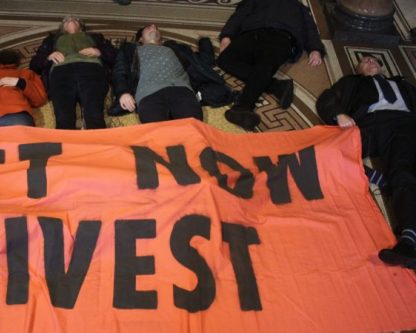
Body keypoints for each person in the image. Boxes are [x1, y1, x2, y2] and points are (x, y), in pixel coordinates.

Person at [316, 54, 416, 269]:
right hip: (369, 124)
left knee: (403, 172)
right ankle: (379, 178)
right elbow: (327, 98)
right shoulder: (351, 82)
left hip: (404, 125)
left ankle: (409, 241)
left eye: (373, 61)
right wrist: (339, 114)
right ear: (358, 69)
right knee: (327, 154)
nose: (369, 63)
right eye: (364, 61)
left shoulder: (403, 84)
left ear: (381, 67)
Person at [217, 0, 325, 131]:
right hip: (252, 34)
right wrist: (227, 35)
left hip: (281, 37)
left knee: (264, 65)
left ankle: (243, 107)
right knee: (224, 60)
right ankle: (276, 86)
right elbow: (238, 17)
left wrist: (315, 48)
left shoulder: (298, 6)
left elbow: (310, 28)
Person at [112, 24, 218, 123]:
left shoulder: (175, 49)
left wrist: (204, 41)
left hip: (182, 91)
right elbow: (119, 70)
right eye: (149, 27)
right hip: (148, 94)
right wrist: (123, 92)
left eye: (156, 28)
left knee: (193, 132)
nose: (154, 26)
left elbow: (204, 63)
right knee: (158, 136)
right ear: (140, 38)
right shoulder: (130, 50)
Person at [29, 16, 116, 129]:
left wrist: (99, 52)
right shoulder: (51, 39)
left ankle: (98, 144)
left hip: (92, 71)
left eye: (75, 19)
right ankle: (65, 145)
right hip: (60, 73)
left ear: (82, 26)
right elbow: (34, 64)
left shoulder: (96, 37)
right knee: (63, 116)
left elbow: (114, 56)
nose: (70, 19)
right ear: (61, 27)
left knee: (94, 113)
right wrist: (49, 56)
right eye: (66, 20)